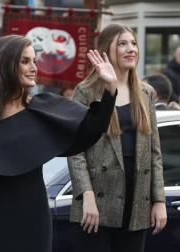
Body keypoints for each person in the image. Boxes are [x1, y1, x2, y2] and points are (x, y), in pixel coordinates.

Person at [0, 34, 118, 252]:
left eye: (34, 61)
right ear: (5, 65)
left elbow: (91, 130)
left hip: (36, 220)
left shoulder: (42, 108)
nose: (34, 67)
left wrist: (111, 90)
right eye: (25, 61)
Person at [67, 24, 167, 252]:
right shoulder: (86, 90)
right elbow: (75, 150)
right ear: (106, 50)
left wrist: (158, 200)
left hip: (137, 202)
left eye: (133, 43)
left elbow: (154, 152)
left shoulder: (146, 93)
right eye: (122, 43)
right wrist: (87, 196)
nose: (131, 49)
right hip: (97, 203)